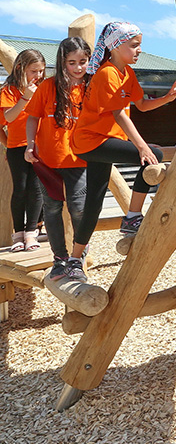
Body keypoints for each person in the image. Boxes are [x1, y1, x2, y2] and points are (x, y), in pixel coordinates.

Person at [68, 22, 176, 282]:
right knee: (155, 155)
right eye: (134, 45)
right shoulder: (107, 74)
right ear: (116, 46)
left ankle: (73, 259)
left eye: (140, 44)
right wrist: (142, 146)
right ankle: (132, 217)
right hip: (90, 141)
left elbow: (140, 105)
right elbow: (118, 113)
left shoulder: (127, 73)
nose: (139, 50)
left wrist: (167, 98)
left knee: (93, 202)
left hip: (101, 142)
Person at [24, 37, 90, 280]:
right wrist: (30, 145)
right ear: (62, 62)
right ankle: (60, 258)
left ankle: (77, 256)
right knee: (51, 209)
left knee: (79, 209)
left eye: (82, 62)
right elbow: (32, 117)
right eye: (71, 62)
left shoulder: (92, 87)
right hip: (48, 161)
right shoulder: (48, 86)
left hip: (80, 161)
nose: (77, 68)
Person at [1, 49, 46, 252]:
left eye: (41, 71)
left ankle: (31, 233)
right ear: (20, 68)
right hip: (16, 147)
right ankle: (18, 233)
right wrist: (26, 97)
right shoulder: (9, 91)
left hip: (39, 146)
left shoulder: (43, 88)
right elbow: (8, 118)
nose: (38, 76)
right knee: (20, 189)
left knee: (36, 189)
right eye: (34, 71)